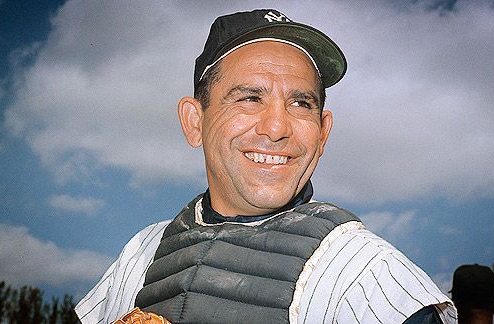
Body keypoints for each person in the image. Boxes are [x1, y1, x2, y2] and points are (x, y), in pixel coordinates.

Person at [75, 9, 456, 323]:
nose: (276, 128)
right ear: (194, 122)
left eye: (301, 103)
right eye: (249, 98)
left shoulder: (363, 273)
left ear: (322, 134)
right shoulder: (141, 254)